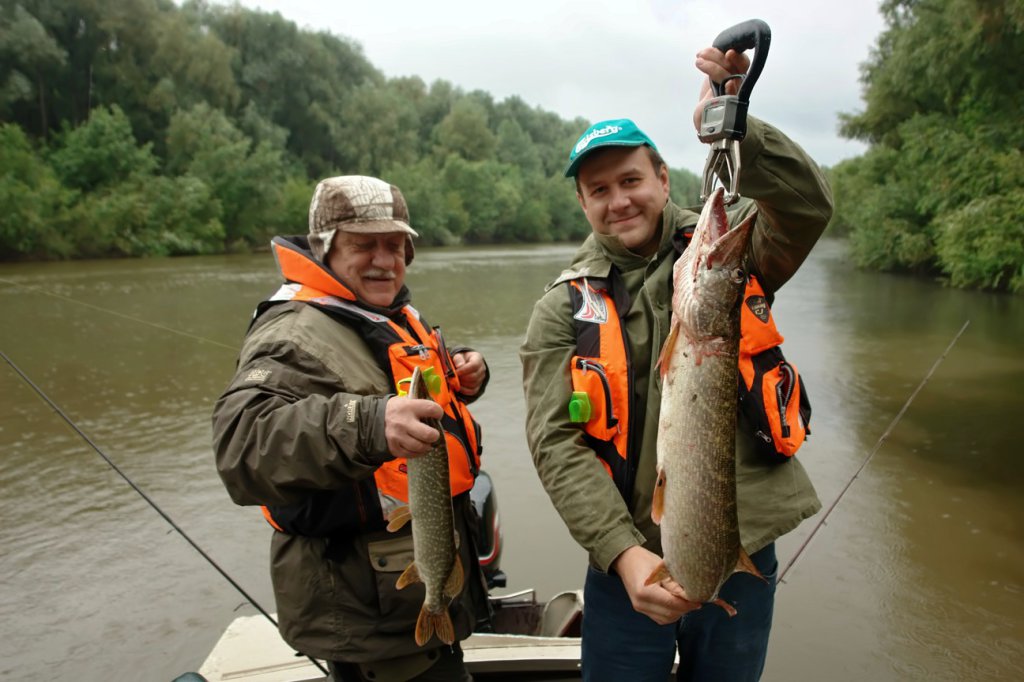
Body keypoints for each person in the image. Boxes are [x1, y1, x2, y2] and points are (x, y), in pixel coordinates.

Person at [519, 45, 833, 682]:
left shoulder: (725, 252)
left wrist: (738, 130)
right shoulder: (560, 310)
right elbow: (555, 444)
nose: (620, 200)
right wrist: (623, 556)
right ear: (584, 205)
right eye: (599, 190)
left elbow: (805, 208)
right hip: (628, 560)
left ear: (663, 178)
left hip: (739, 548)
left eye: (631, 180)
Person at [212, 175, 492, 682]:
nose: (384, 260)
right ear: (324, 249)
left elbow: (390, 376)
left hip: (407, 601)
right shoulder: (292, 332)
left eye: (395, 244)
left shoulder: (380, 312)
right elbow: (241, 447)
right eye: (363, 245)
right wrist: (367, 424)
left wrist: (463, 371)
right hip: (370, 620)